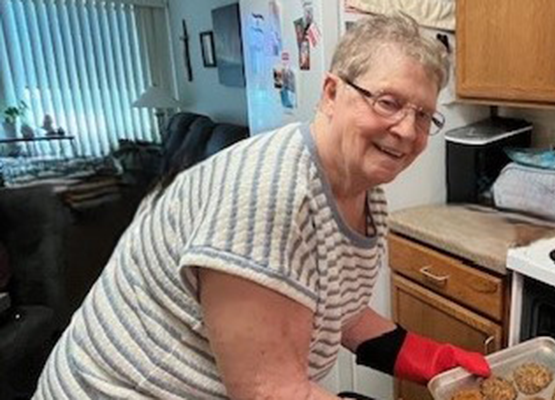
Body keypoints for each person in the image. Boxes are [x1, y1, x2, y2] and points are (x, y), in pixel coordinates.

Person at [33, 13, 490, 400]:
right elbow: (268, 391)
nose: (408, 131)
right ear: (331, 93)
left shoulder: (366, 192)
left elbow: (340, 310)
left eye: (424, 115)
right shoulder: (269, 192)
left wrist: (431, 359)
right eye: (388, 102)